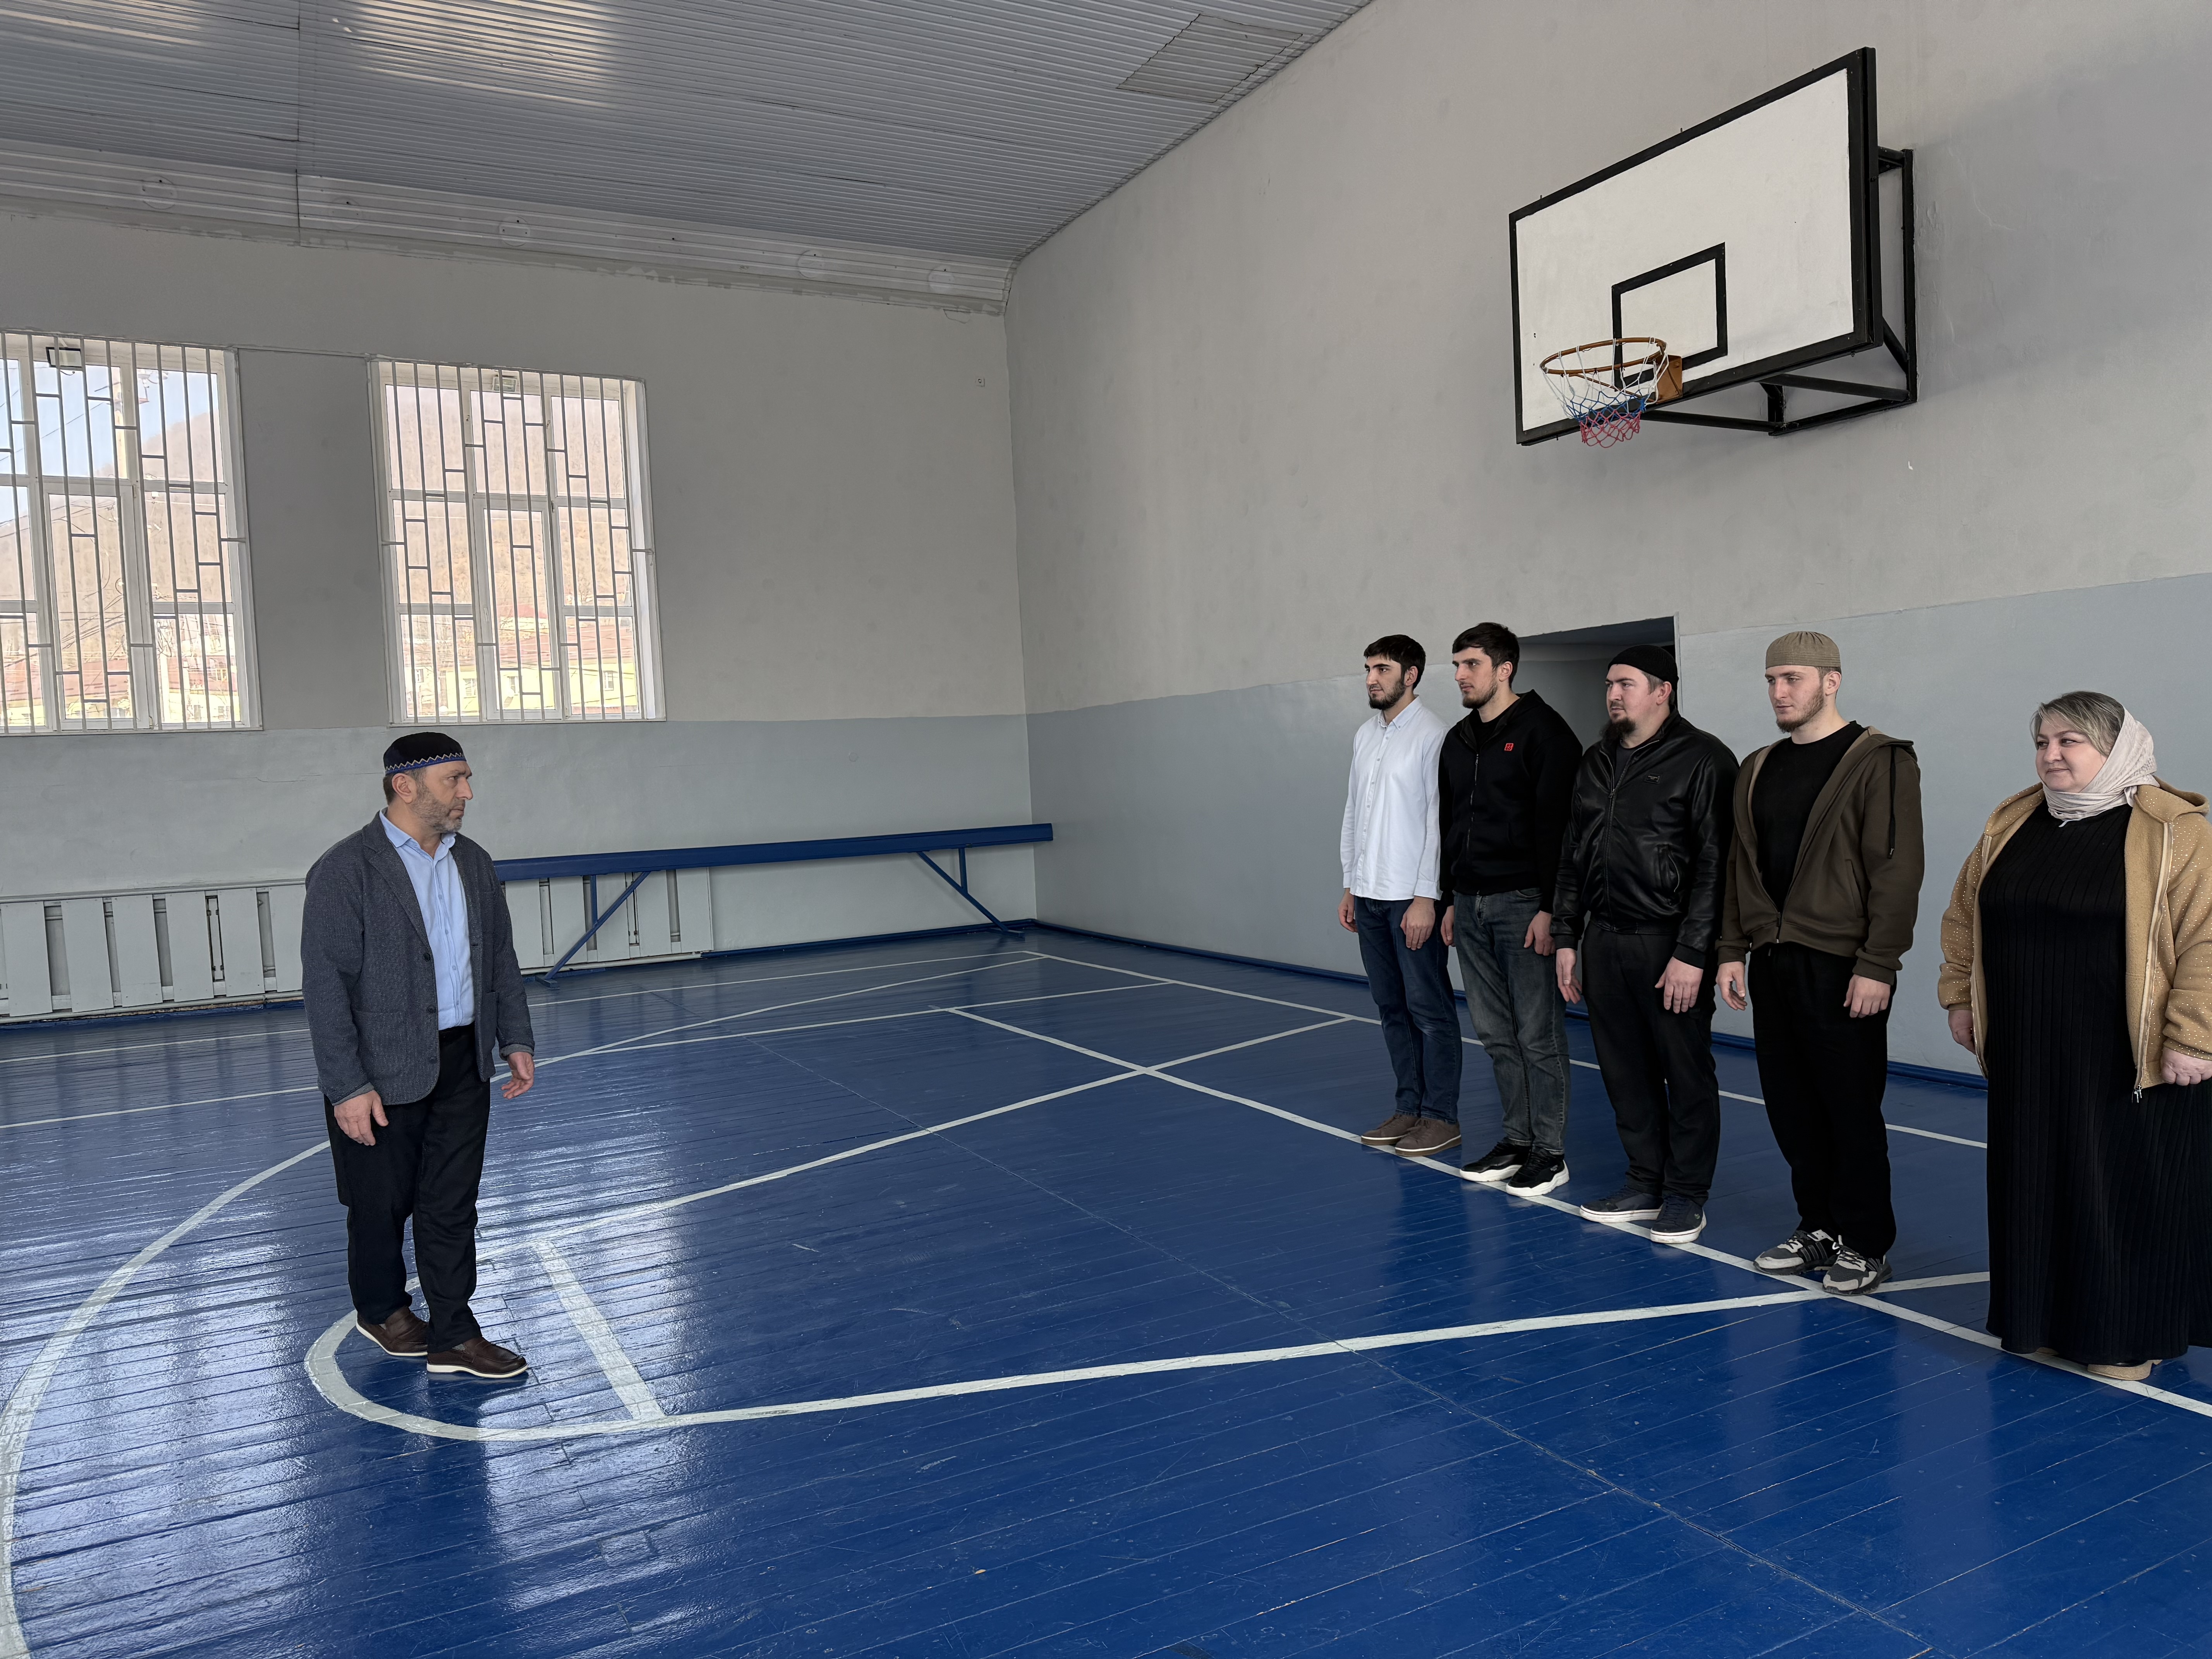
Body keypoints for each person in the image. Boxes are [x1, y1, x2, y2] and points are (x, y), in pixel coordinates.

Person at [1937, 692, 2212, 1381]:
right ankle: (2049, 1323)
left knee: (2123, 1195)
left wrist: (2194, 1037)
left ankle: (2128, 1338)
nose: (2051, 755)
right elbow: (1965, 917)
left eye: (2070, 742)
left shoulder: (2174, 830)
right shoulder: (2015, 821)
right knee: (2037, 1186)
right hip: (2030, 1049)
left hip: (2127, 1054)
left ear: (2116, 749)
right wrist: (1960, 996)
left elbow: (2206, 940)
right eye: (2042, 742)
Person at [301, 732, 539, 1381]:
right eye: (454, 780)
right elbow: (326, 987)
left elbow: (500, 958)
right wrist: (347, 1086)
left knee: (452, 1202)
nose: (467, 793)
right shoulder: (346, 870)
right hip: (380, 1071)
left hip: (463, 1060)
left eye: (467, 779)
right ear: (405, 786)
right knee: (380, 1204)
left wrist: (515, 1039)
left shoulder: (474, 863)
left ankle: (455, 1333)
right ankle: (381, 1309)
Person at [1718, 633, 1925, 1295]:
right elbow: (1740, 867)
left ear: (1831, 681)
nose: (1780, 692)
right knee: (1793, 1106)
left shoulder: (1880, 759)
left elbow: (1896, 869)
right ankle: (1819, 1228)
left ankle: (1866, 1243)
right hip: (1772, 959)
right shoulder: (1757, 767)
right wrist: (1732, 949)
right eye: (1772, 680)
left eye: (1794, 679)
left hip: (1843, 965)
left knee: (1850, 1108)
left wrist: (1879, 963)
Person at [1552, 645, 1738, 1243]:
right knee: (1624, 1071)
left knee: (1685, 1073)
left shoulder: (1704, 759)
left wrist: (1693, 952)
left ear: (1663, 691)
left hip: (1669, 946)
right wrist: (1566, 934)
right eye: (1609, 684)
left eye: (1626, 684)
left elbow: (1717, 866)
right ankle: (1645, 1182)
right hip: (1604, 940)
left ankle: (1686, 1195)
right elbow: (1572, 854)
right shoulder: (1595, 761)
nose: (1613, 694)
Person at [1436, 622, 1582, 1197]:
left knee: (1537, 1035)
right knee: (1496, 1034)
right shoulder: (1458, 740)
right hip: (1469, 903)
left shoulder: (1545, 732)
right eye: (1456, 665)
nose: (1460, 676)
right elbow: (1448, 823)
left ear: (1505, 669)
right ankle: (1517, 1140)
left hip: (1525, 904)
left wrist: (1552, 909)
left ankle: (1550, 1152)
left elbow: (1562, 830)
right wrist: (1450, 897)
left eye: (1471, 664)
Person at [1343, 635, 1460, 1160]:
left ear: (1410, 676)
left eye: (1383, 669)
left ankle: (1441, 1117)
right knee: (1391, 1007)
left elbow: (1438, 822)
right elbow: (1354, 813)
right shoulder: (1365, 735)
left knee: (1429, 1009)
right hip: (1369, 895)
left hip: (1409, 900)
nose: (1372, 679)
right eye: (1369, 669)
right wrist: (1351, 884)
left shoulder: (1434, 735)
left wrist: (1426, 897)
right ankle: (1408, 1107)